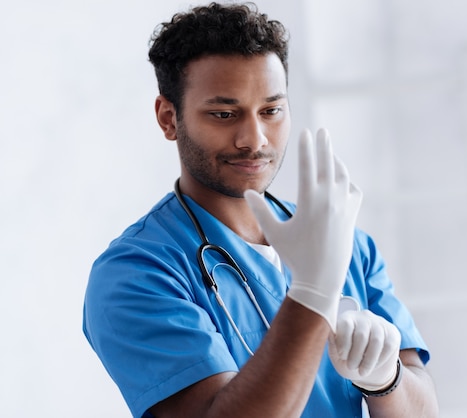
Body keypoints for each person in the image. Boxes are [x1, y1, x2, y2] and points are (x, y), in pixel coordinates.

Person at [82, 2, 439, 417]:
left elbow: (423, 409)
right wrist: (312, 292)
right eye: (224, 114)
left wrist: (385, 379)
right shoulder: (136, 273)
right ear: (169, 118)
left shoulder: (347, 245)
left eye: (271, 111)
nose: (254, 139)